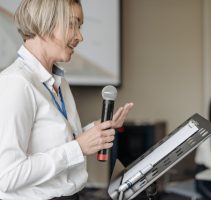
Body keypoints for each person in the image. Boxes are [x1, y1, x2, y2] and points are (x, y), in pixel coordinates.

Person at [0, 0, 133, 199]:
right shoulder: (17, 84)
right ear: (46, 22)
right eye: (72, 24)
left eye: (79, 27)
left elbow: (55, 142)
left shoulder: (59, 82)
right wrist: (78, 148)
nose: (80, 36)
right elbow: (8, 176)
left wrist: (96, 131)